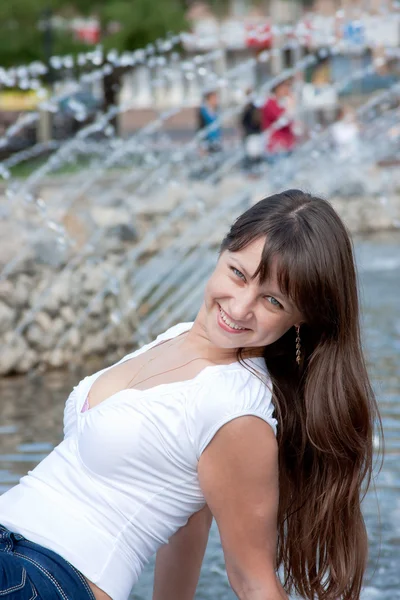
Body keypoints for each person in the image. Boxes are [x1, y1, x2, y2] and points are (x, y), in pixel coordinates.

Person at [0, 189, 381, 600]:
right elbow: (188, 517)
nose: (238, 308)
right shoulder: (179, 337)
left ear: (301, 318)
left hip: (46, 576)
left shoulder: (237, 411)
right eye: (238, 274)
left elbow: (254, 582)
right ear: (222, 251)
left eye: (272, 300)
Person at [261, 78, 298, 161]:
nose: (287, 90)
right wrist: (291, 104)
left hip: (287, 145)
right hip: (276, 147)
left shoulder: (282, 103)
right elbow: (283, 120)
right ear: (277, 88)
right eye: (285, 87)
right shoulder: (270, 102)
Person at [240, 89, 263, 170]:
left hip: (255, 135)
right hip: (251, 136)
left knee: (256, 157)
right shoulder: (248, 109)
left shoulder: (255, 108)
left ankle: (254, 172)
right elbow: (243, 122)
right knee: (252, 157)